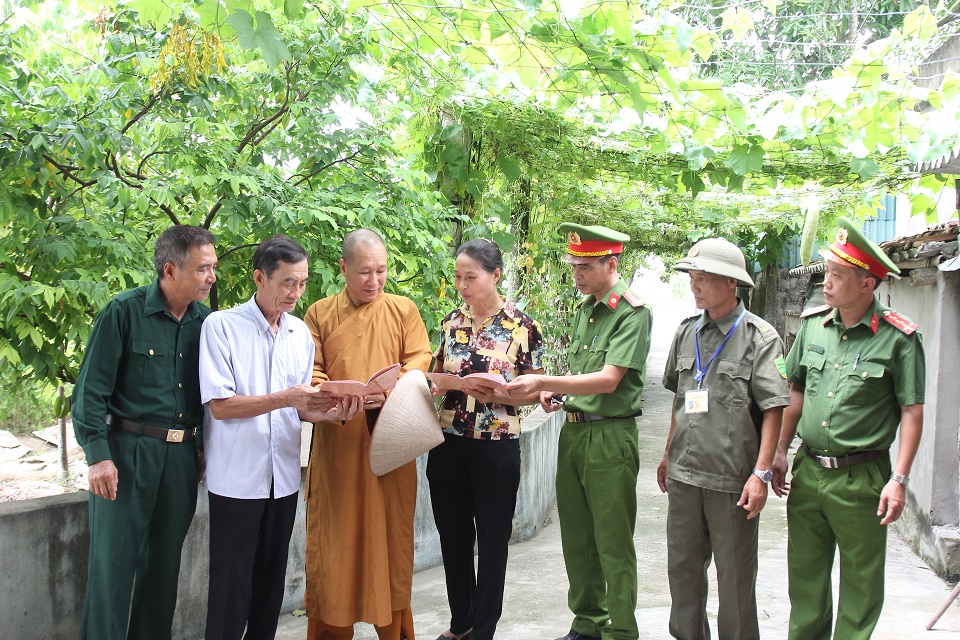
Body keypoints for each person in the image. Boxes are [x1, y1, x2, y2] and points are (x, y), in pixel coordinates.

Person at [199, 236, 363, 640]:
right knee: (230, 588)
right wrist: (288, 398)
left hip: (284, 478)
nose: (296, 293)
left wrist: (333, 410)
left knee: (270, 586)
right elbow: (221, 406)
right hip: (237, 480)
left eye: (303, 283)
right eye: (288, 282)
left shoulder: (299, 336)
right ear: (259, 277)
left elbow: (298, 408)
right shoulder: (221, 327)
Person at [771, 217, 925, 640]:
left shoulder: (899, 339)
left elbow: (912, 411)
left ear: (866, 284)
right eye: (828, 273)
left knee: (860, 582)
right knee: (805, 576)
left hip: (863, 478)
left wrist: (899, 479)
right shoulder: (813, 325)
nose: (827, 283)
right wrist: (781, 451)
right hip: (808, 470)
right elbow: (796, 389)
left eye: (838, 276)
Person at [506, 223, 652, 640]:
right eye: (574, 265)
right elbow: (583, 376)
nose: (577, 274)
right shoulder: (586, 310)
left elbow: (608, 380)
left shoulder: (631, 312)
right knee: (577, 535)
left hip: (610, 438)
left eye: (585, 266)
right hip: (573, 432)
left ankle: (621, 631)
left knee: (612, 541)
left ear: (612, 263)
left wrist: (547, 382)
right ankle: (588, 622)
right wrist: (560, 395)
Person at [71, 225, 217, 640]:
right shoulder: (123, 311)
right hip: (127, 454)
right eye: (203, 268)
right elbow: (89, 393)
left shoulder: (205, 322)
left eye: (213, 267)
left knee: (164, 568)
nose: (212, 277)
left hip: (181, 459)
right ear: (170, 270)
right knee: (112, 569)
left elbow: (208, 398)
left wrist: (202, 451)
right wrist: (98, 456)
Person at [302, 228, 433, 640]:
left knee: (388, 543)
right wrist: (334, 392)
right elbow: (310, 370)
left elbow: (419, 360)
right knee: (335, 545)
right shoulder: (318, 313)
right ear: (343, 268)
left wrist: (389, 392)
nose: (374, 281)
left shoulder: (403, 310)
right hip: (338, 445)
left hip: (390, 442)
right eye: (364, 272)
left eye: (381, 271)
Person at [656, 238, 789, 640]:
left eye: (703, 279)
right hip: (684, 476)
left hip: (732, 482)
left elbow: (774, 409)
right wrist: (666, 457)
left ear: (732, 283)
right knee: (682, 573)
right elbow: (682, 399)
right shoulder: (685, 333)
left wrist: (761, 475)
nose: (694, 286)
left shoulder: (760, 338)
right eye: (692, 278)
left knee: (734, 581)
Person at [428, 239, 545, 640]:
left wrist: (501, 393)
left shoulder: (523, 327)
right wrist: (436, 384)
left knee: (493, 539)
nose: (462, 284)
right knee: (453, 536)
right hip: (449, 444)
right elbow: (436, 373)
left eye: (470, 277)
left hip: (496, 446)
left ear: (495, 276)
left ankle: (483, 628)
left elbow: (538, 388)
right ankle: (460, 622)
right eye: (458, 277)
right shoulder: (450, 322)